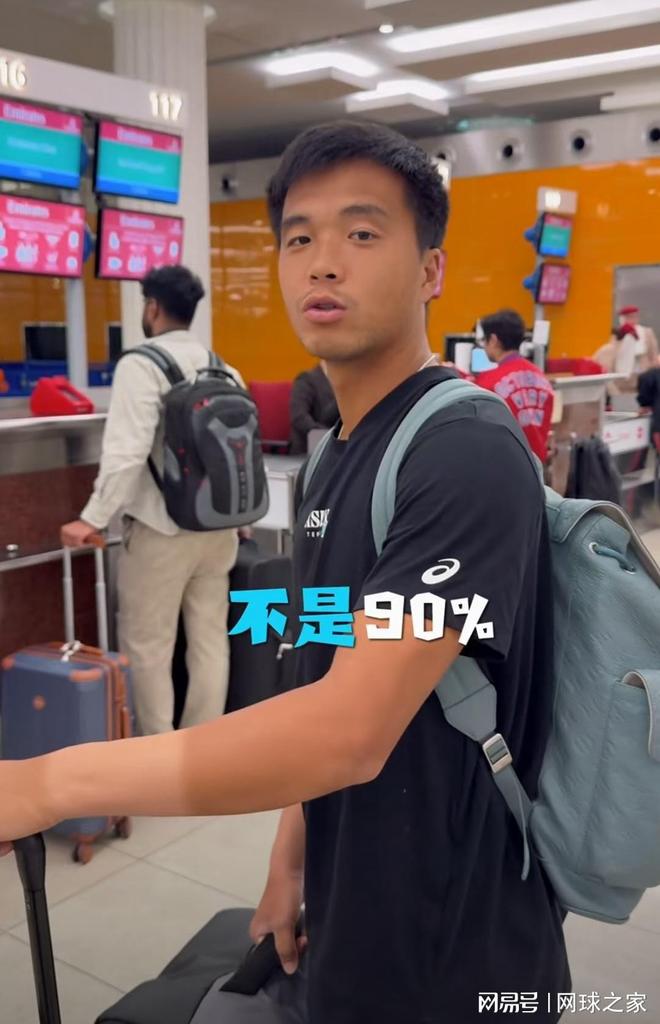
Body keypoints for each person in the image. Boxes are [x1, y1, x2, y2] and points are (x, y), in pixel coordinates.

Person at [4, 122, 569, 1023]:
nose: (323, 263)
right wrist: (290, 860)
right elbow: (323, 674)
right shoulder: (332, 457)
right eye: (299, 238)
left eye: (362, 232)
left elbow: (349, 731)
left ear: (431, 269)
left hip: (453, 949)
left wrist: (49, 781)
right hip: (347, 913)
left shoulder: (464, 451)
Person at [61, 265, 245, 735]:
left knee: (149, 649)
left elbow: (127, 451)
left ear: (153, 307)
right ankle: (204, 745)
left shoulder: (140, 366)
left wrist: (92, 518)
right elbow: (241, 454)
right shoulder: (224, 368)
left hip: (161, 531)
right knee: (210, 642)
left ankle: (157, 755)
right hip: (219, 530)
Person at [475, 308, 555, 463]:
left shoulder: (488, 382)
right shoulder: (541, 378)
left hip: (505, 465)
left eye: (484, 340)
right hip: (537, 466)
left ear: (493, 340)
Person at [289, 360, 338, 453]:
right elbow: (299, 418)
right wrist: (328, 435)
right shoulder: (306, 380)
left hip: (336, 446)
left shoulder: (345, 385)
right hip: (308, 448)